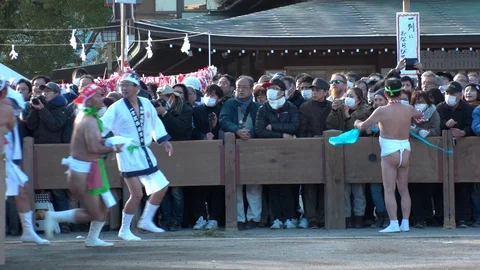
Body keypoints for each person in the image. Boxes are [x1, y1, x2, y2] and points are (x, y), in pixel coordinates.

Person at [44, 83, 122, 247]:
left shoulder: (89, 118)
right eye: (99, 95)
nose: (103, 98)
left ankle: (92, 238)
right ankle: (54, 217)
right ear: (90, 99)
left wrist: (109, 143)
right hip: (83, 172)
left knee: (105, 206)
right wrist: (114, 147)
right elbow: (94, 148)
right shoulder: (87, 120)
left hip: (92, 169)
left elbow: (94, 144)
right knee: (94, 212)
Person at [101, 73, 174, 241]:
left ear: (137, 87)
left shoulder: (147, 104)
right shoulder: (116, 107)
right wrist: (110, 142)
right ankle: (124, 229)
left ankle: (146, 219)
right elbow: (103, 126)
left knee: (162, 186)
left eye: (128, 84)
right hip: (127, 152)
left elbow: (155, 123)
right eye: (121, 85)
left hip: (144, 151)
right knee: (136, 194)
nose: (124, 88)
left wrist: (163, 141)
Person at [354, 78, 424, 233]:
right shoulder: (409, 109)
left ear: (386, 93)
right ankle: (404, 223)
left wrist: (357, 123)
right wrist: (417, 114)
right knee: (404, 190)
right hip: (404, 149)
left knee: (389, 189)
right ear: (401, 92)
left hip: (389, 150)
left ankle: (393, 223)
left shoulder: (382, 111)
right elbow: (420, 115)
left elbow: (364, 126)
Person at [0, 79, 50, 245]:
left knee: (22, 190)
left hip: (9, 152)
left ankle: (28, 231)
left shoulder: (11, 98)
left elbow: (15, 104)